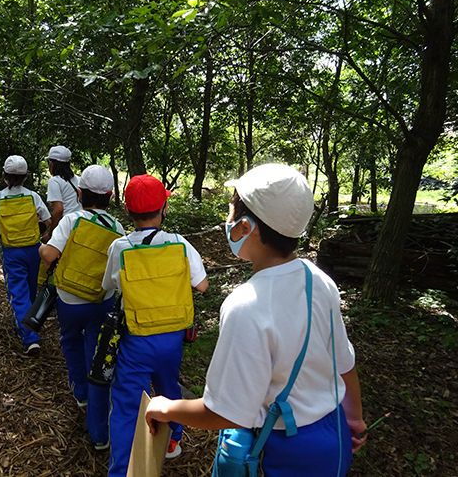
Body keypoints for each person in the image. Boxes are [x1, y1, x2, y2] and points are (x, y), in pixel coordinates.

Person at [145, 163, 367, 477]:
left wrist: (165, 407)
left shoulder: (246, 305)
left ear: (246, 227)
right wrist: (354, 418)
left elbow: (224, 412)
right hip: (334, 440)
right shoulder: (317, 279)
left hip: (285, 450)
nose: (228, 219)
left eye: (231, 210)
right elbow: (344, 364)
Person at [102, 174, 208, 477]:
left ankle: (121, 470)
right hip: (172, 338)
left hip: (136, 337)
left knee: (126, 405)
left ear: (128, 212)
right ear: (163, 208)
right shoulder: (180, 244)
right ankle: (172, 440)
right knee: (167, 386)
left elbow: (108, 285)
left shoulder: (119, 247)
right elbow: (202, 285)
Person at [38, 165, 125, 451]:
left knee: (70, 341)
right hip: (102, 301)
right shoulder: (117, 228)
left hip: (69, 300)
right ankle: (100, 428)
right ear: (110, 196)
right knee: (97, 354)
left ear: (79, 192)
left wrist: (41, 247)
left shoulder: (72, 220)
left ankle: (81, 392)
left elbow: (50, 255)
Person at [0, 155, 51, 357]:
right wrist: (43, 232)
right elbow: (46, 218)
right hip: (33, 249)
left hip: (12, 251)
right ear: (26, 177)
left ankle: (30, 338)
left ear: (4, 176)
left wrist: (1, 221)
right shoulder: (33, 197)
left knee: (18, 293)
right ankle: (24, 323)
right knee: (29, 291)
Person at [44, 145, 81, 239]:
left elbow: (59, 209)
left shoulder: (55, 181)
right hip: (81, 224)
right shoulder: (77, 179)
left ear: (51, 164)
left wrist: (51, 234)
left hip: (66, 227)